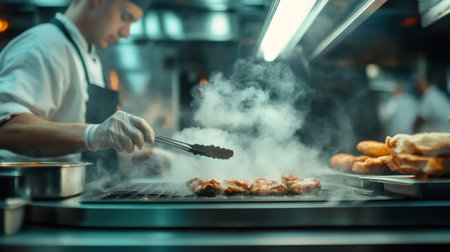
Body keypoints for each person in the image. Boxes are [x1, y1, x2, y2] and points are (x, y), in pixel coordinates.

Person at [0, 0, 155, 166]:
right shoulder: (42, 47)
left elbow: (93, 145)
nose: (126, 33)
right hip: (31, 188)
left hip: (78, 188)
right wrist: (92, 134)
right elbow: (6, 128)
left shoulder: (89, 56)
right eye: (125, 17)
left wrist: (148, 156)